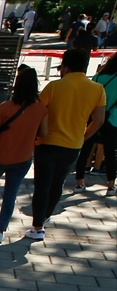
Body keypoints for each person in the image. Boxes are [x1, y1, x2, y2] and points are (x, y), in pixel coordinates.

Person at [27, 48, 107, 241]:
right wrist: (84, 137)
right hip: (74, 145)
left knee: (42, 185)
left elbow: (37, 112)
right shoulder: (97, 89)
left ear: (66, 66)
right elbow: (99, 120)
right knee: (58, 183)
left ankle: (37, 226)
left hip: (48, 142)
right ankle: (45, 218)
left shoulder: (54, 86)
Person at [0, 66, 48, 244]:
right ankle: (0, 231)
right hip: (23, 157)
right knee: (10, 194)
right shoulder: (41, 108)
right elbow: (43, 133)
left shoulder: (5, 107)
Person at [72, 54, 117, 197]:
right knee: (110, 153)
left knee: (84, 149)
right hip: (112, 120)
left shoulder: (97, 77)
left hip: (93, 118)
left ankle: (79, 182)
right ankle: (111, 185)